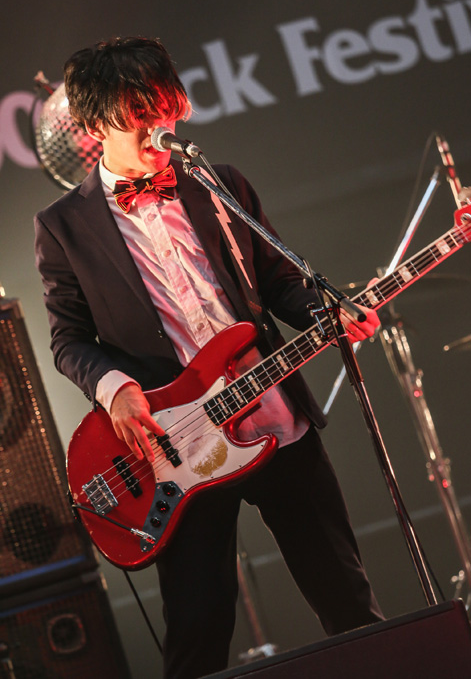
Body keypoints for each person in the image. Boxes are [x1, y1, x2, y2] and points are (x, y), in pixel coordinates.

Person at [34, 36, 384, 679]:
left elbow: (281, 283)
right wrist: (116, 389)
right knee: (198, 631)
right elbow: (68, 340)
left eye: (165, 109)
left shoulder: (218, 183)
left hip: (275, 417)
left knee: (346, 597)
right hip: (178, 448)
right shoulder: (64, 226)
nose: (159, 129)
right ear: (93, 126)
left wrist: (329, 314)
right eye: (139, 116)